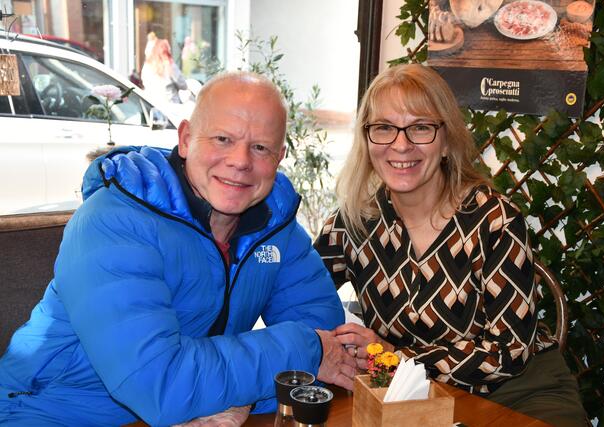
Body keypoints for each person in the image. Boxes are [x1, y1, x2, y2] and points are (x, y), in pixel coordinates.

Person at [0, 71, 357, 426]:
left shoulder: (276, 226)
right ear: (186, 139)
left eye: (260, 147)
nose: (240, 161)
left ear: (279, 157)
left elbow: (328, 344)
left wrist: (236, 393)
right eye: (222, 139)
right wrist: (290, 357)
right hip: (47, 411)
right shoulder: (115, 222)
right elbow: (159, 384)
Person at [313, 64, 586, 426]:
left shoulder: (495, 221)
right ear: (367, 140)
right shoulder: (353, 222)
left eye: (420, 127)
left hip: (518, 392)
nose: (401, 145)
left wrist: (396, 358)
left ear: (446, 140)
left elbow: (509, 352)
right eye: (384, 128)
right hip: (408, 395)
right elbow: (296, 294)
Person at [141, 37, 188, 104]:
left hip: (151, 105)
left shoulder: (147, 66)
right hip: (171, 106)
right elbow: (183, 86)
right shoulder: (170, 66)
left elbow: (144, 83)